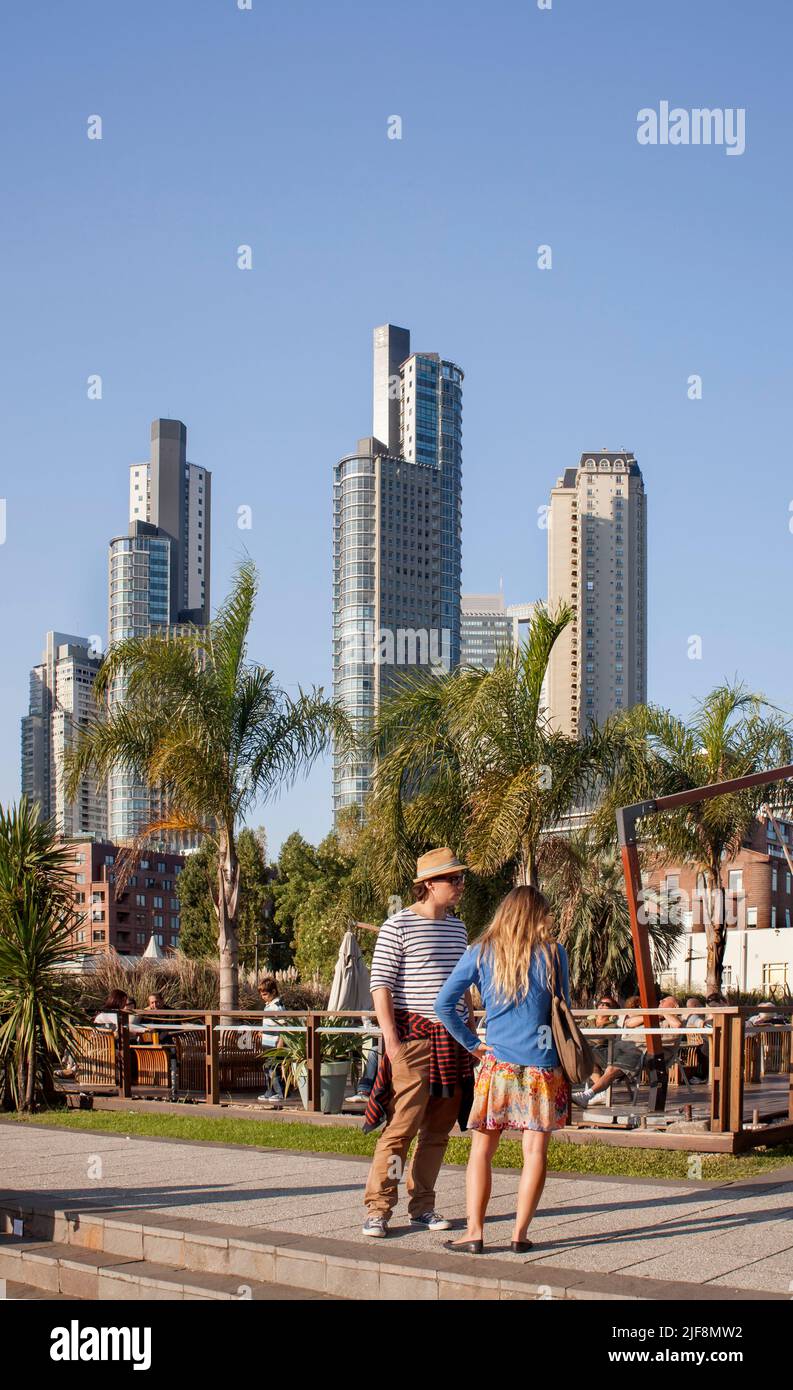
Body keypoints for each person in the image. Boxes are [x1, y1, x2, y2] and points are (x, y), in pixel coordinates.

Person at [434, 884, 570, 1254]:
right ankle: (519, 1234)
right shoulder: (555, 954)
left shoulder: (480, 952)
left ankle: (475, 1233)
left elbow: (444, 1004)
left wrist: (474, 1045)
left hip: (498, 1066)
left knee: (482, 1150)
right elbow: (565, 1010)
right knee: (535, 1153)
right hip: (543, 1066)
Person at [361, 848, 475, 1239]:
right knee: (402, 1128)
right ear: (428, 883)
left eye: (461, 878)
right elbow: (381, 986)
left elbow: (463, 987)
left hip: (453, 1041)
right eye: (452, 879)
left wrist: (471, 1032)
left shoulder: (458, 929)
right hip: (413, 1038)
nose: (460, 886)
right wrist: (391, 1040)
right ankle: (378, 1208)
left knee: (439, 1130)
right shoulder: (398, 925)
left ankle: (422, 1206)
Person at [573, 996, 647, 1106]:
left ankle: (598, 1092)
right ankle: (600, 1092)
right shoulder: (587, 1022)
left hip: (605, 1052)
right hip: (591, 1051)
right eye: (600, 1003)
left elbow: (600, 1040)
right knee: (581, 1056)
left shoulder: (613, 1025)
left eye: (606, 1004)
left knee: (585, 1055)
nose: (602, 1005)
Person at [257, 977, 285, 1108]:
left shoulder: (277, 1006)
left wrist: (281, 1041)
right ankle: (269, 1091)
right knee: (267, 1068)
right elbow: (270, 1023)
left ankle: (279, 1092)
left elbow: (283, 1026)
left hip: (274, 1043)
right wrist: (263, 1031)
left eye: (265, 994)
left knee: (274, 1069)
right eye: (261, 995)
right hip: (267, 1042)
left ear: (273, 992)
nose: (263, 997)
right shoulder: (268, 1006)